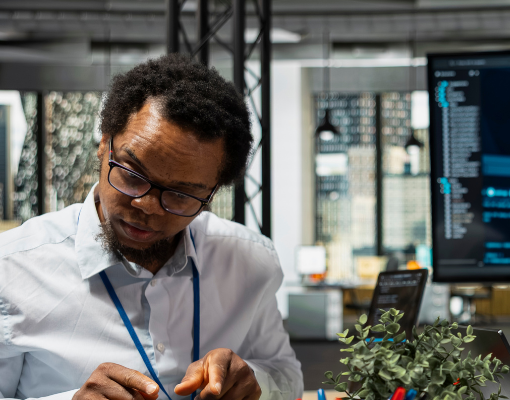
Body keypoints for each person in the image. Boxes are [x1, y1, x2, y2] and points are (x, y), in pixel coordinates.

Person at [0, 54, 302, 400]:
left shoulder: (250, 261)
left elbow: (286, 374)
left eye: (181, 194)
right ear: (104, 142)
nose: (146, 205)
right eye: (131, 174)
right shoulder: (11, 269)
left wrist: (254, 381)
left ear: (212, 192)